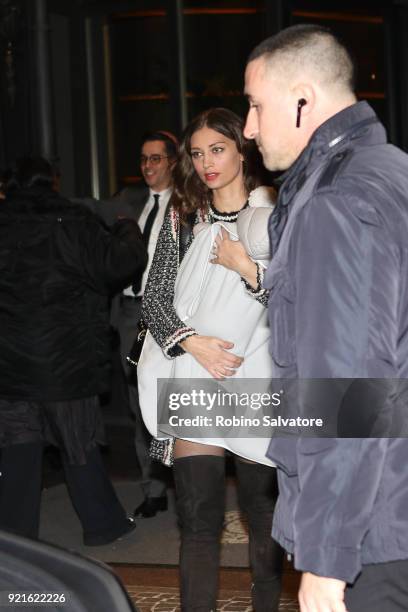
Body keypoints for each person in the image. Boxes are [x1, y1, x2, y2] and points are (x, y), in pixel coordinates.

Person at [244, 24, 408, 612]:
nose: (249, 128)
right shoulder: (391, 168)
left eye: (256, 106)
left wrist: (325, 558)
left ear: (303, 100)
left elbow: (350, 391)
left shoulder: (336, 202)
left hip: (376, 531)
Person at [142, 108, 284, 612]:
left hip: (257, 377)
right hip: (194, 373)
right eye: (198, 153)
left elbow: (299, 300)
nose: (207, 163)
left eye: (217, 150)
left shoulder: (276, 214)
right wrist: (190, 341)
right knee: (199, 521)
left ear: (242, 151)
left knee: (261, 515)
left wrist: (247, 267)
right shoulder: (183, 215)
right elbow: (154, 297)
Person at [0, 156, 147, 546]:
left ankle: (16, 541)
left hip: (10, 364)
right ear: (54, 181)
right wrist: (127, 225)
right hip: (66, 363)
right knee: (79, 445)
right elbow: (120, 263)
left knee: (18, 451)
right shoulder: (73, 221)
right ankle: (103, 526)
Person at [80, 131, 178, 518]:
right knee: (139, 401)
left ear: (172, 161)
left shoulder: (188, 204)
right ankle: (153, 488)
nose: (148, 166)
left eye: (156, 159)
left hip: (171, 315)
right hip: (130, 316)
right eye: (143, 160)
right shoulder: (129, 201)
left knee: (174, 399)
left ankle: (185, 478)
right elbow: (89, 206)